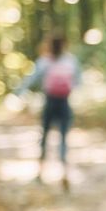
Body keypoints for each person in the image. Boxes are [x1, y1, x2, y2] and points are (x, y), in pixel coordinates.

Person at [16, 34, 82, 189]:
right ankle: (64, 173)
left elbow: (31, 79)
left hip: (50, 101)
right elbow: (78, 81)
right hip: (64, 102)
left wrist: (19, 92)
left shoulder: (45, 61)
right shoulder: (71, 61)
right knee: (63, 138)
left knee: (45, 136)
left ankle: (40, 173)